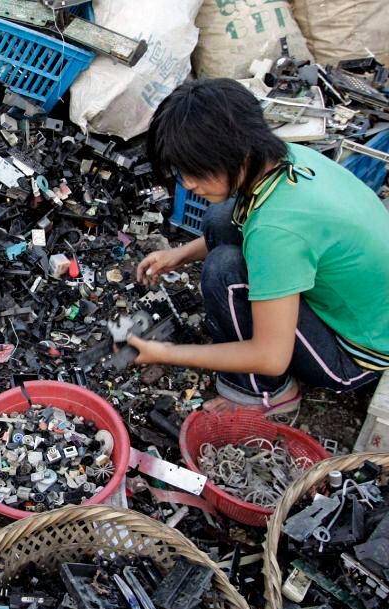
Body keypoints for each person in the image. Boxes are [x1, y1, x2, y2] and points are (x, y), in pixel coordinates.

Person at [130, 78, 389, 416]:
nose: (188, 184)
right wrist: (180, 254)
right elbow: (249, 223)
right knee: (220, 218)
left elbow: (270, 355)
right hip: (363, 309)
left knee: (225, 272)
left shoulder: (277, 231)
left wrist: (165, 353)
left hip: (354, 355)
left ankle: (266, 394)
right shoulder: (288, 157)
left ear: (235, 151)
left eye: (196, 169)